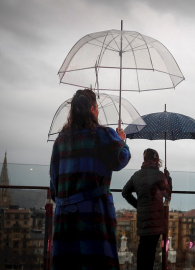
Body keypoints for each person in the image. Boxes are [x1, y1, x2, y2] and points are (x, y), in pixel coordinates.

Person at [49, 88, 131, 270]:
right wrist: (121, 140)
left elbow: (54, 186)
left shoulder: (60, 141)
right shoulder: (103, 135)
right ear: (93, 109)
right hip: (93, 215)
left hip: (64, 218)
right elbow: (121, 158)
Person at [122, 148, 172, 270]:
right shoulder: (160, 175)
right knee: (151, 250)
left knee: (143, 246)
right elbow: (167, 194)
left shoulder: (136, 175)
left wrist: (138, 205)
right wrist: (168, 178)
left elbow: (125, 192)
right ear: (155, 159)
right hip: (155, 219)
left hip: (143, 218)